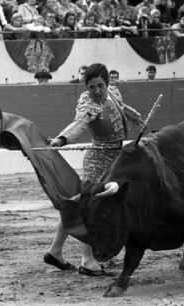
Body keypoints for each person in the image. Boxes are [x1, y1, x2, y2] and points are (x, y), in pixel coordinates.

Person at [46, 63, 144, 275]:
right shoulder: (87, 103)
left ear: (108, 83)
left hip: (116, 157)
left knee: (82, 203)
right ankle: (87, 260)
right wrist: (62, 139)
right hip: (98, 159)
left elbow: (120, 106)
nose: (97, 91)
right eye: (92, 87)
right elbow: (80, 122)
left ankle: (55, 251)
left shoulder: (114, 92)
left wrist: (134, 115)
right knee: (91, 205)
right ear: (86, 88)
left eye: (100, 86)